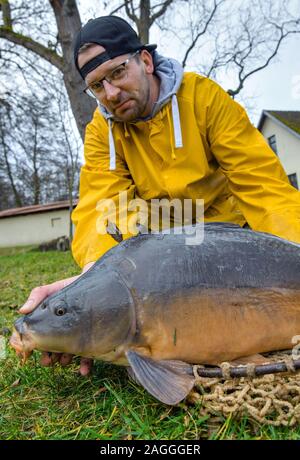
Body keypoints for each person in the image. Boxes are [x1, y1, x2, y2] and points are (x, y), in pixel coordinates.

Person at [19, 16, 300, 374]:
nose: (111, 93)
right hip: (158, 255)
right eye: (97, 86)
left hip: (232, 240)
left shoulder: (204, 99)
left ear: (145, 61)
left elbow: (264, 189)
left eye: (117, 72)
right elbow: (101, 208)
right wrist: (93, 286)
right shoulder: (100, 133)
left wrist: (293, 254)